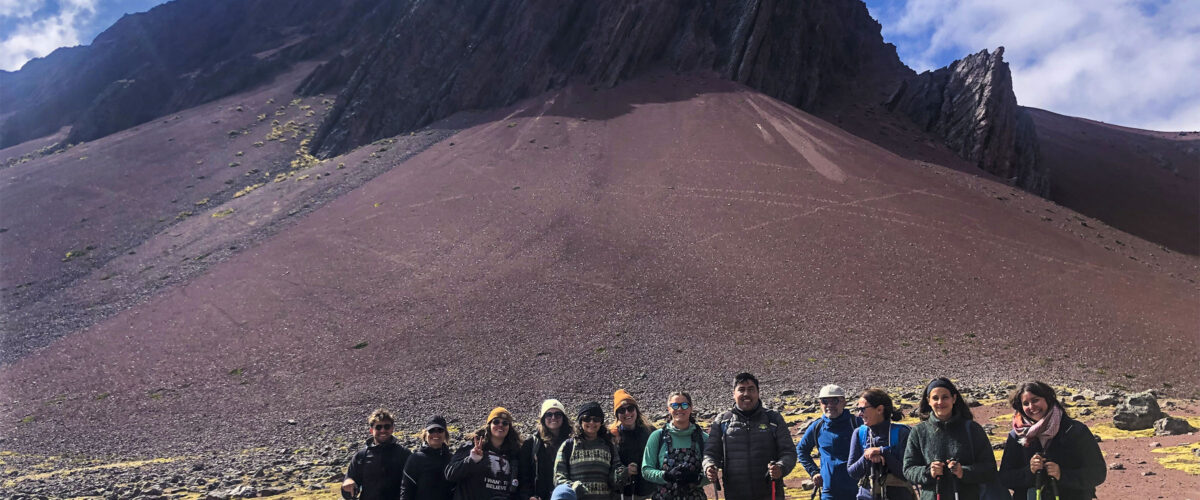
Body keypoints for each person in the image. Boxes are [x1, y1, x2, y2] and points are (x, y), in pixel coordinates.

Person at [998, 381, 1106, 500]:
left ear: (1048, 399)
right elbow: (1005, 477)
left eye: (1035, 400)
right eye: (1025, 403)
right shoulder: (1017, 436)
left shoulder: (1075, 431)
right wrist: (1028, 472)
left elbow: (1098, 472)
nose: (1031, 407)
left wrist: (1062, 475)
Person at [703, 372, 796, 500]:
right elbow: (710, 452)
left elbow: (789, 452)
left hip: (770, 494)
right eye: (741, 389)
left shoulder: (773, 419)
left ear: (758, 393)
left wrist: (781, 467)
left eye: (751, 389)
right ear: (733, 394)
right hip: (735, 494)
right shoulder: (723, 421)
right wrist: (709, 466)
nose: (746, 394)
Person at [902, 378, 996, 500]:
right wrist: (928, 472)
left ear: (954, 398)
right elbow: (908, 469)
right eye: (935, 398)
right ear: (928, 401)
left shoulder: (972, 429)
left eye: (945, 397)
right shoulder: (919, 431)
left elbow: (990, 468)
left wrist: (964, 472)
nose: (940, 402)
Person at [552, 401, 630, 500]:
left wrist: (622, 473)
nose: (591, 423)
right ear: (580, 421)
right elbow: (559, 476)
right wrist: (572, 487)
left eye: (596, 419)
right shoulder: (568, 445)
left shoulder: (609, 446)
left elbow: (615, 473)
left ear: (601, 422)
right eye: (587, 419)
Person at [797, 384, 862, 500]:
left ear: (844, 402)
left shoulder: (857, 424)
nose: (830, 405)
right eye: (825, 401)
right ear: (820, 404)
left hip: (858, 489)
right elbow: (801, 449)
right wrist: (814, 472)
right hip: (830, 491)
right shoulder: (817, 427)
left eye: (835, 401)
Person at [846, 389, 914, 500]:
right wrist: (867, 456)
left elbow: (907, 473)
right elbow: (852, 472)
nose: (859, 414)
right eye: (858, 410)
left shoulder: (902, 433)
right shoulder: (859, 433)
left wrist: (883, 452)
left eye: (863, 409)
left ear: (879, 409)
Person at [643, 391, 709, 500]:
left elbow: (712, 472)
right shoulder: (657, 437)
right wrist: (666, 476)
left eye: (684, 405)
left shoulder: (703, 438)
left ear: (691, 408)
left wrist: (697, 479)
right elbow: (646, 470)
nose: (679, 409)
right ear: (669, 409)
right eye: (675, 405)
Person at [446, 407, 523, 500]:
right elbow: (450, 474)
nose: (500, 425)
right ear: (489, 425)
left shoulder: (514, 453)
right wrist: (471, 460)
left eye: (505, 423)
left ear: (509, 428)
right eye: (496, 422)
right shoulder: (472, 446)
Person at [343, 408, 413, 500]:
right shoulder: (360, 456)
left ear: (392, 429)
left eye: (387, 426)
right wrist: (348, 483)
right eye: (378, 427)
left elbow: (413, 485)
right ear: (371, 430)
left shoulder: (404, 454)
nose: (383, 430)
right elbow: (349, 486)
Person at [521, 399, 574, 500]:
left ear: (563, 418)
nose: (553, 418)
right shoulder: (531, 444)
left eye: (558, 414)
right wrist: (528, 496)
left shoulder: (572, 443)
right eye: (549, 414)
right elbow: (524, 474)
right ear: (543, 418)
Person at [611, 389, 657, 500]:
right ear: (617, 415)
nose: (627, 413)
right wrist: (625, 472)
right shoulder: (612, 436)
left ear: (636, 410)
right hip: (623, 494)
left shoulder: (650, 431)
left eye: (630, 408)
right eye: (621, 410)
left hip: (650, 491)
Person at [401, 415, 454, 500]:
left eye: (440, 430)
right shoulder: (415, 459)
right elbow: (406, 491)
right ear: (425, 434)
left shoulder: (451, 459)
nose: (436, 434)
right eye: (431, 430)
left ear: (445, 434)